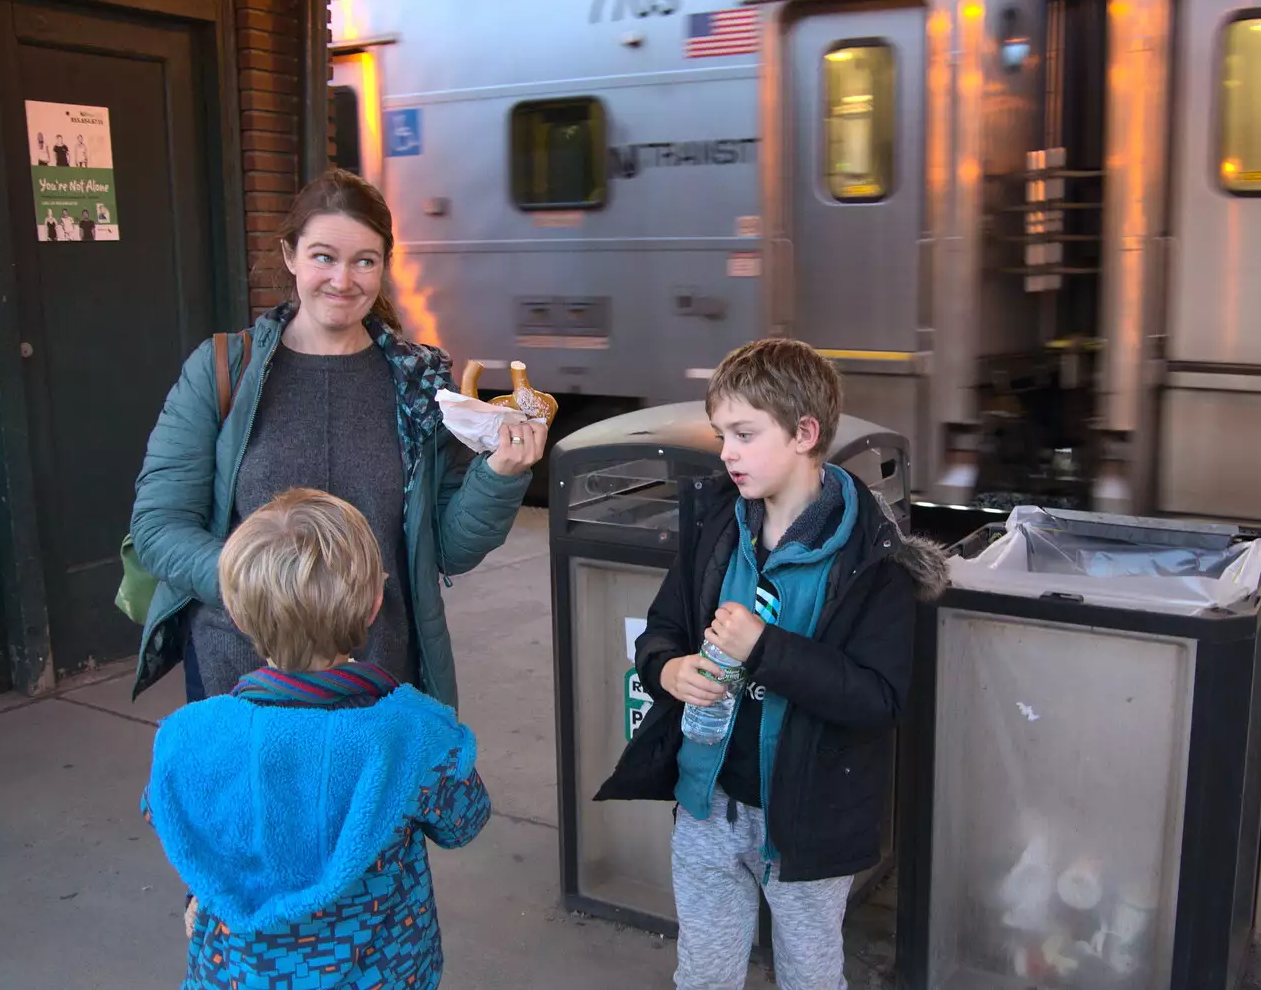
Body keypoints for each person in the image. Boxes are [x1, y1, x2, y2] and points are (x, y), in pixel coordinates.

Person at [596, 339, 947, 989]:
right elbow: (665, 627)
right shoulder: (717, 526)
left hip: (807, 820)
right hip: (707, 801)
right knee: (703, 974)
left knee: (810, 976)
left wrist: (765, 647)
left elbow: (877, 700)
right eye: (722, 433)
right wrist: (666, 670)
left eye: (745, 434)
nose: (726, 451)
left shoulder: (873, 562)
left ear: (804, 433)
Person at [129, 166, 547, 707]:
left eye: (364, 262)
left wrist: (499, 477)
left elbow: (448, 549)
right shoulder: (222, 370)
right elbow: (158, 527)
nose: (343, 280)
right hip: (239, 674)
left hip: (378, 680)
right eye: (323, 256)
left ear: (383, 267)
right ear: (290, 256)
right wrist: (267, 593)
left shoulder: (419, 383)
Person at [142, 487, 491, 989]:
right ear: (374, 606)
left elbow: (169, 817)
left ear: (237, 615)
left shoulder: (188, 737)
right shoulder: (413, 736)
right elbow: (465, 821)